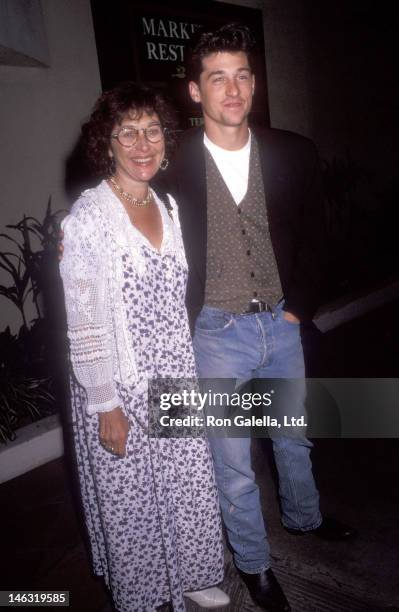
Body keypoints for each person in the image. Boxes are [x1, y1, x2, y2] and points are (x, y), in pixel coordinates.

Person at [154, 23, 357, 612]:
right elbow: (127, 207)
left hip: (280, 322)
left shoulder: (294, 150)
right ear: (195, 91)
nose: (233, 89)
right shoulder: (171, 161)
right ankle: (254, 565)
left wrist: (299, 308)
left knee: (295, 439)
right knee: (234, 463)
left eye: (242, 75)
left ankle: (305, 518)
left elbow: (318, 236)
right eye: (217, 78)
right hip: (215, 330)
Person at [59, 82, 230, 612]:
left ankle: (196, 574)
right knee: (131, 496)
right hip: (119, 381)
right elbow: (83, 318)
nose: (142, 143)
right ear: (105, 143)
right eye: (127, 132)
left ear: (166, 138)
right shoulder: (88, 218)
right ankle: (147, 592)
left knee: (186, 480)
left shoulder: (168, 205)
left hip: (173, 372)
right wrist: (104, 401)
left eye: (152, 130)